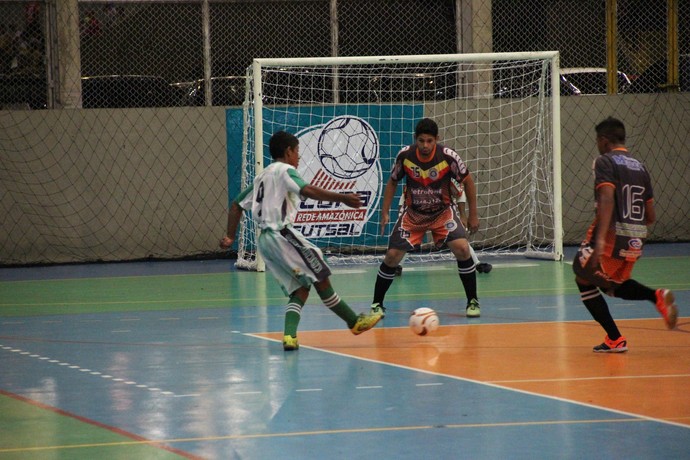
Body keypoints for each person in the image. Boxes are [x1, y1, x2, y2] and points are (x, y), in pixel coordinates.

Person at [220, 131, 383, 351]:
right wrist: (342, 198)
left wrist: (230, 235)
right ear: (288, 152)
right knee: (321, 276)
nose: (298, 156)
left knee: (300, 290)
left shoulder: (262, 175)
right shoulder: (286, 170)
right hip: (281, 235)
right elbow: (307, 190)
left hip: (265, 243)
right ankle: (354, 322)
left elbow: (236, 205)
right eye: (297, 151)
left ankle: (289, 336)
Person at [573, 117, 678, 353]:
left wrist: (600, 239)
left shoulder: (604, 161)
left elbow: (607, 196)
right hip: (636, 237)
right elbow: (650, 215)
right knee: (612, 286)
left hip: (611, 233)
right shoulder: (640, 167)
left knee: (582, 273)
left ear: (603, 140)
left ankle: (615, 338)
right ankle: (656, 297)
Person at [371, 118, 482, 318]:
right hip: (413, 214)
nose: (425, 145)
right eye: (421, 141)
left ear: (436, 139)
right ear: (416, 139)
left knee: (463, 249)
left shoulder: (448, 157)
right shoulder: (405, 155)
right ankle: (377, 304)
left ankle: (472, 301)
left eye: (429, 141)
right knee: (392, 256)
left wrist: (472, 215)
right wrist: (385, 211)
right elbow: (392, 182)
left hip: (442, 213)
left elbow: (468, 182)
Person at [393, 180, 491, 276]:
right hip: (415, 213)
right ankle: (397, 266)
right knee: (405, 238)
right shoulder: (415, 175)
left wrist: (463, 215)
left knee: (458, 237)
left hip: (440, 213)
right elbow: (404, 196)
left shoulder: (445, 174)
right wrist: (400, 214)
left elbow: (460, 193)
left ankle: (476, 263)